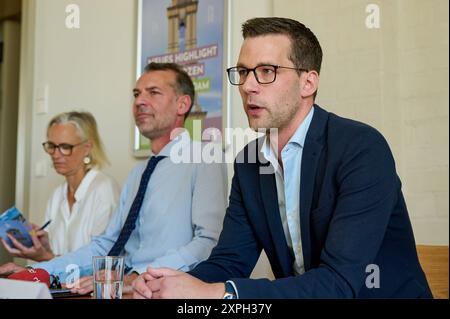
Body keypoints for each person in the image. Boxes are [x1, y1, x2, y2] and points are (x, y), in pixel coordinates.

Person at [132, 17, 432, 299]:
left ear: (308, 83)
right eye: (244, 72)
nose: (248, 86)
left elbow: (340, 283)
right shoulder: (249, 162)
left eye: (266, 71)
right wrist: (169, 284)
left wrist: (219, 293)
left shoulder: (361, 148)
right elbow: (229, 262)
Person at [0, 62, 227, 295]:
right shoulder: (138, 173)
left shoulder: (203, 158)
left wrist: (136, 277)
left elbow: (209, 242)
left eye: (153, 92)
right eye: (137, 94)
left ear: (182, 104)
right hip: (121, 288)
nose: (139, 101)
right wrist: (42, 272)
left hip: (163, 291)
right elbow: (106, 244)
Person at [1, 111, 120, 262]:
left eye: (65, 146)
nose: (56, 155)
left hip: (89, 285)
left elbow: (101, 263)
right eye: (51, 146)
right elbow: (57, 258)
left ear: (87, 147)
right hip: (59, 284)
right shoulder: (57, 195)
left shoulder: (104, 190)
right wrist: (45, 248)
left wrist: (47, 257)